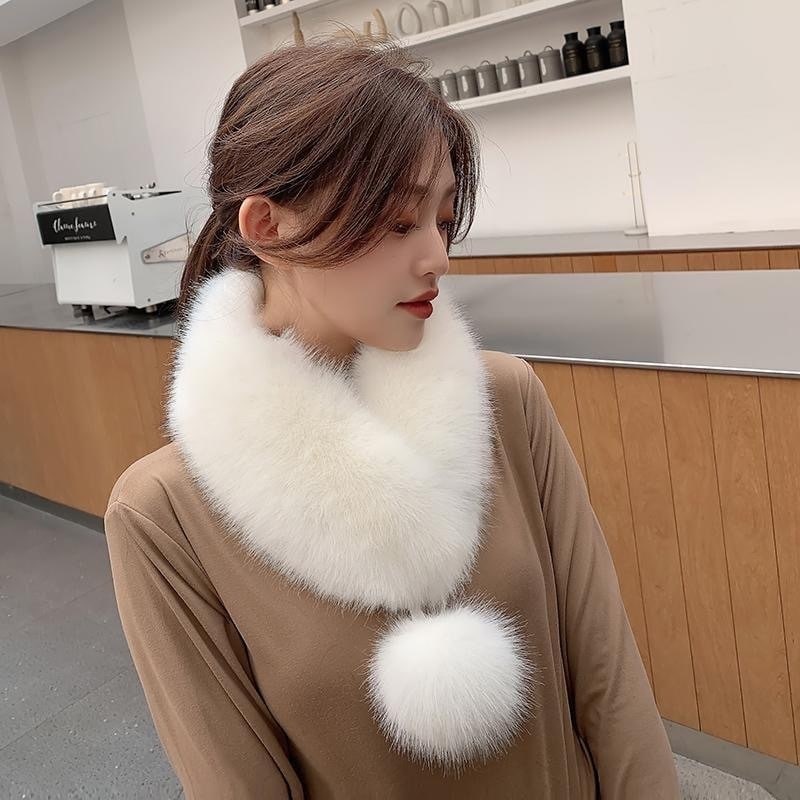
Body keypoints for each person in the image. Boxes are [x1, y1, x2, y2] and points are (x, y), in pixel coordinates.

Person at [104, 34, 679, 799]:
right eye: (401, 222)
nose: (438, 255)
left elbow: (607, 679)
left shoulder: (506, 401)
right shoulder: (162, 515)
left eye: (443, 218)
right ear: (268, 227)